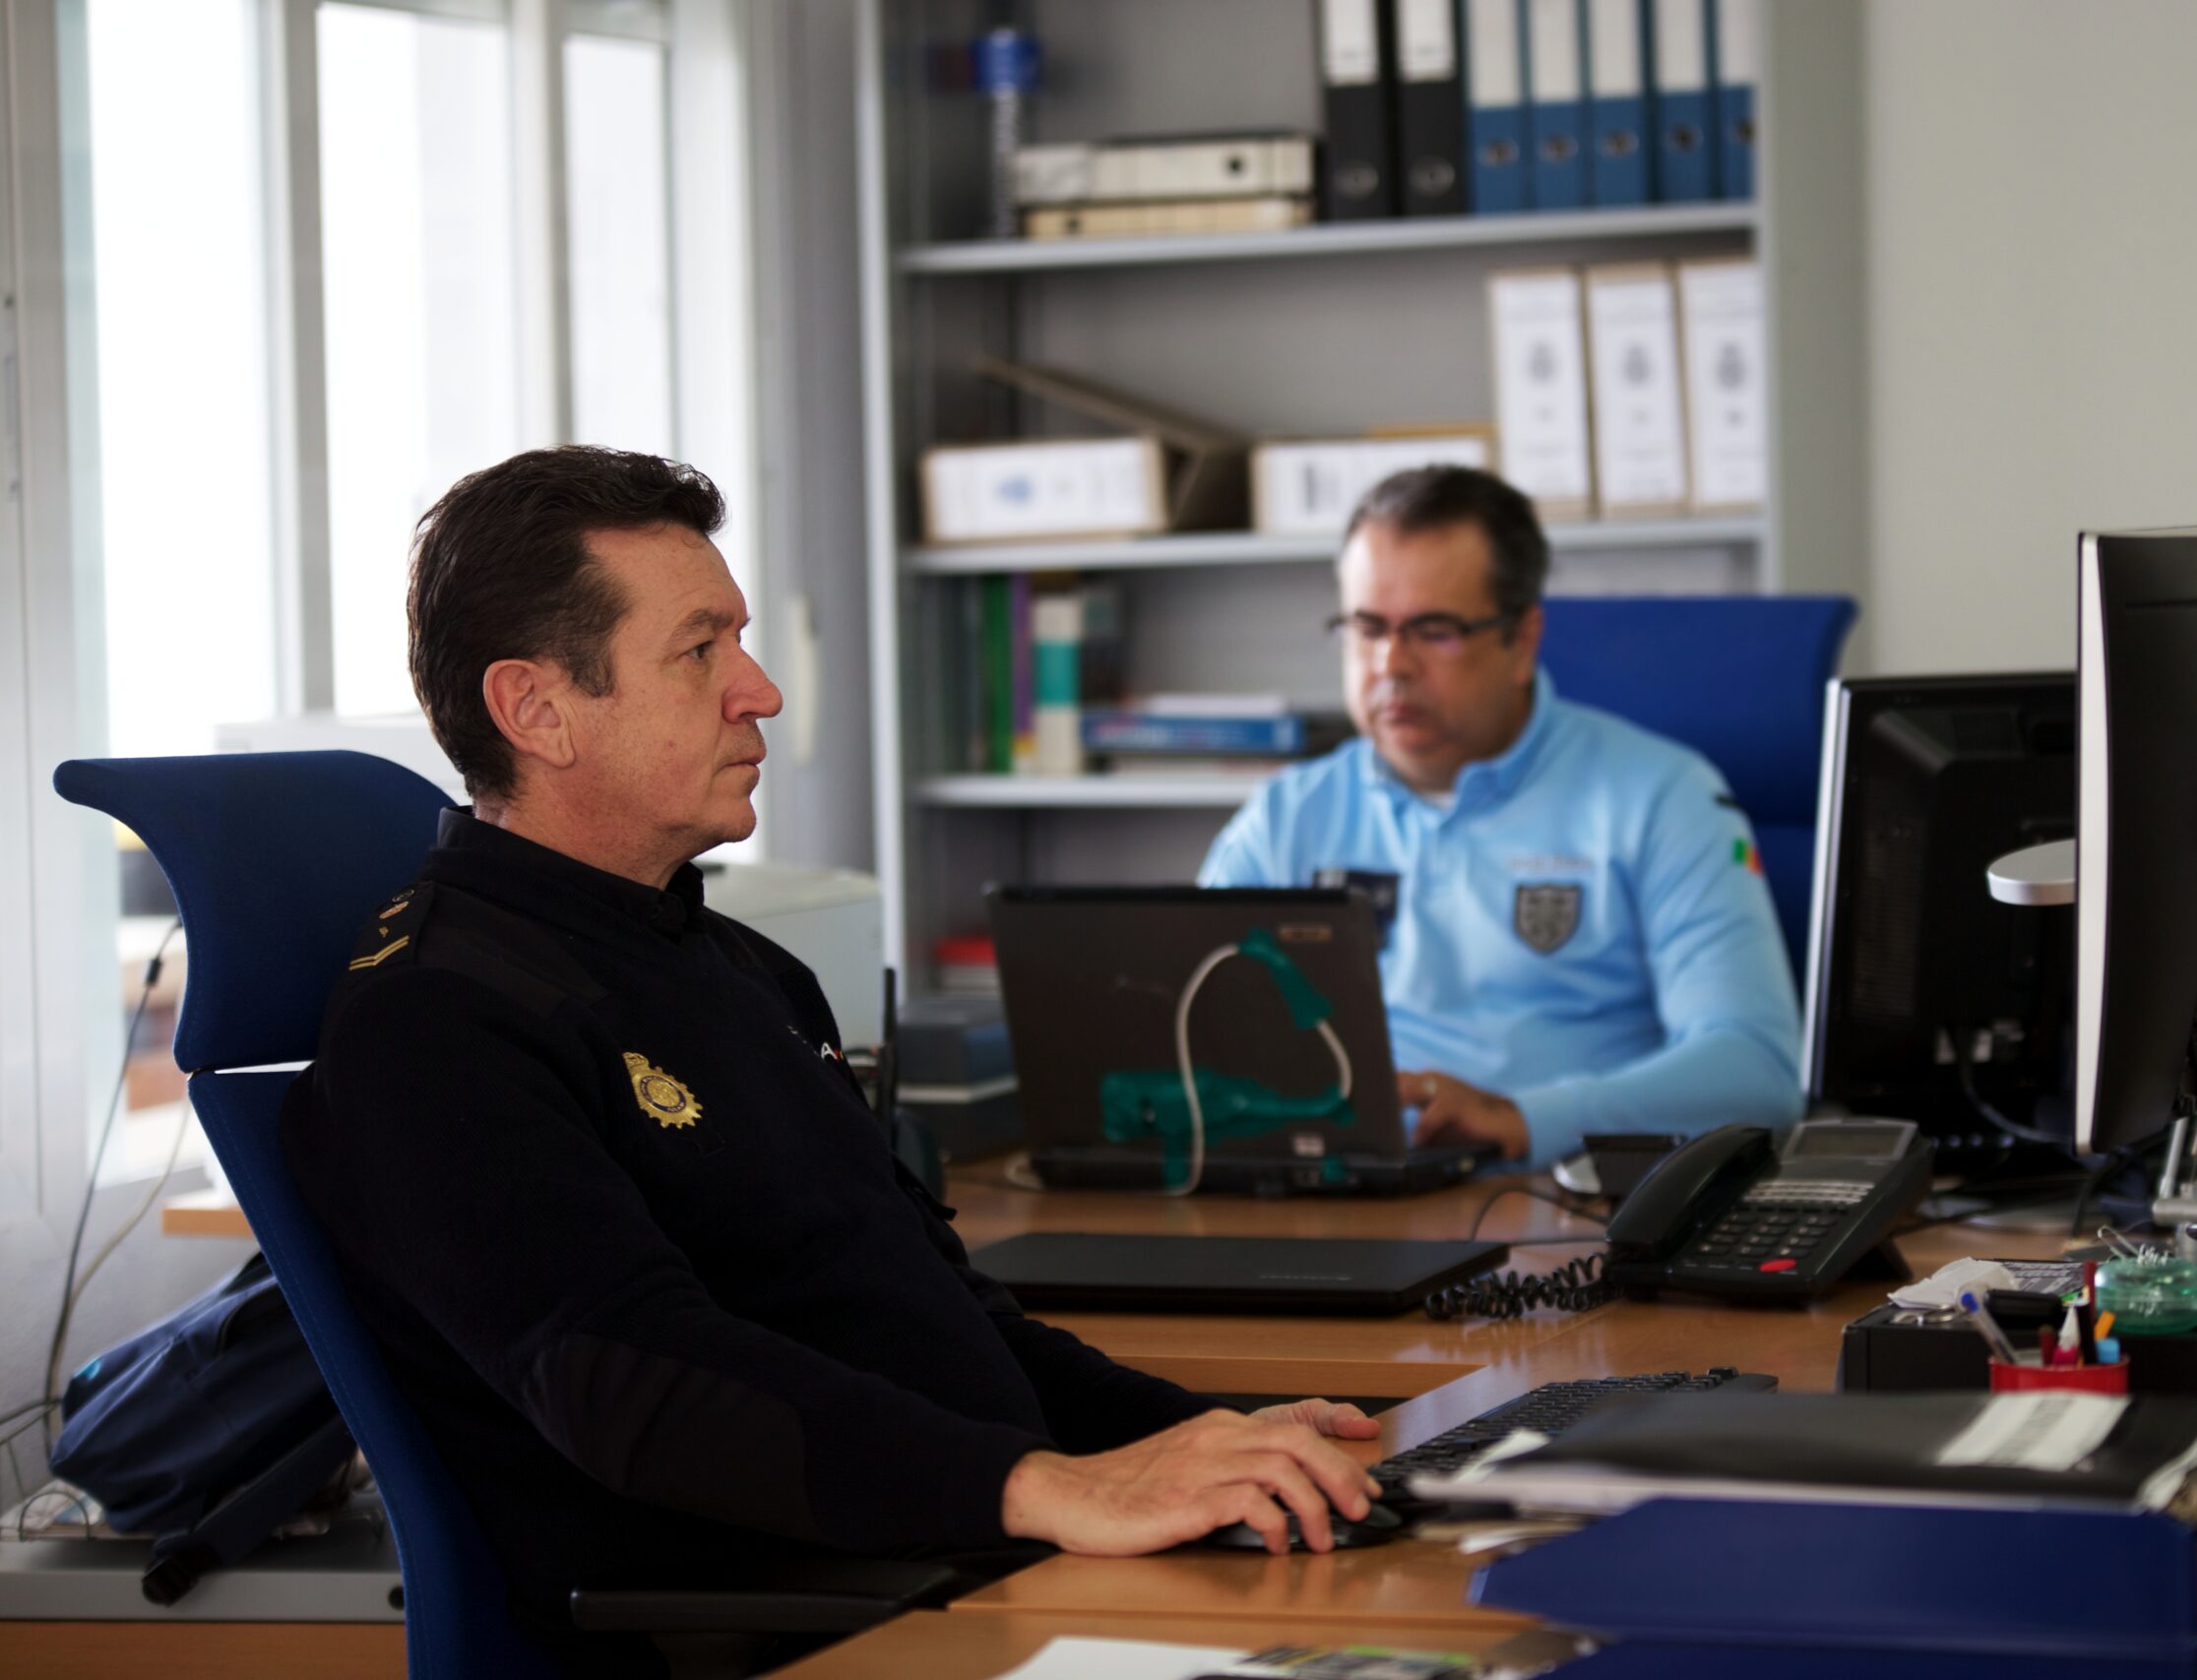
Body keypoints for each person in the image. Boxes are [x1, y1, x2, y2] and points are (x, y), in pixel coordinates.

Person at [282, 447, 1380, 1676]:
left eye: (738, 641)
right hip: (792, 1621)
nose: (758, 691)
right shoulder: (435, 1024)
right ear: (535, 709)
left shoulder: (748, 974)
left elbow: (943, 1323)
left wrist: (1207, 1440)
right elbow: (637, 1388)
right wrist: (1042, 1489)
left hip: (966, 1554)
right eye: (698, 651)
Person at [1199, 466, 1804, 1168]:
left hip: (1561, 1209)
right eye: (1367, 628)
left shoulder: (1663, 795)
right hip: (1332, 1198)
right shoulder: (1286, 815)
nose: (1391, 663)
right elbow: (1182, 1023)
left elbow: (1755, 1069)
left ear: (1522, 640)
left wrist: (1526, 1118)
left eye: (1434, 630)